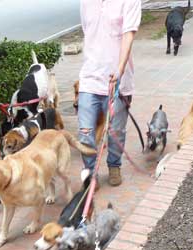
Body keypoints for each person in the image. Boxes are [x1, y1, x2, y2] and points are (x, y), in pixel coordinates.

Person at [78, 0, 141, 187]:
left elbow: (129, 34)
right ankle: (90, 173)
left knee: (116, 131)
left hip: (118, 80)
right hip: (89, 78)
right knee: (85, 133)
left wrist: (120, 69)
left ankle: (114, 165)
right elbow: (87, 32)